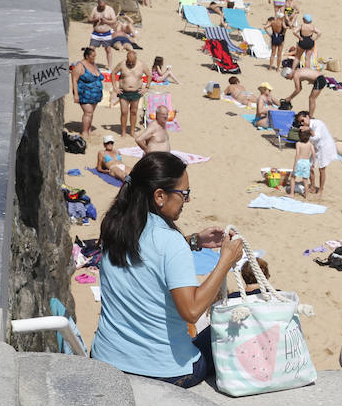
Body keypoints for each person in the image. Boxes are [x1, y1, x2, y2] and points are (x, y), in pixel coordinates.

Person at [91, 152, 244, 388]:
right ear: (160, 196)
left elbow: (149, 256)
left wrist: (194, 241)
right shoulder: (169, 241)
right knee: (235, 328)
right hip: (164, 371)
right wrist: (225, 261)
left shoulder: (114, 224)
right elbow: (191, 311)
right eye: (184, 194)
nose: (187, 200)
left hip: (106, 358)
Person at [295, 111, 337, 196]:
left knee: (322, 169)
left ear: (307, 117)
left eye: (303, 120)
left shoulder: (317, 123)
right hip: (317, 148)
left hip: (325, 147)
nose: (302, 123)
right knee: (310, 167)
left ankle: (321, 190)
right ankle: (313, 187)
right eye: (300, 122)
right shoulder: (307, 126)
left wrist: (309, 130)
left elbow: (317, 137)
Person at [111, 51, 149, 139]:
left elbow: (149, 75)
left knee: (134, 112)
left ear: (136, 59)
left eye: (133, 62)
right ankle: (123, 131)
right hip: (123, 92)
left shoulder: (141, 64)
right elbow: (113, 73)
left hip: (136, 92)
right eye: (129, 61)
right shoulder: (122, 64)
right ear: (127, 58)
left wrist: (146, 87)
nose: (131, 64)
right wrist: (115, 87)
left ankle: (132, 131)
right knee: (124, 112)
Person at [71, 47, 103, 138]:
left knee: (91, 112)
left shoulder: (94, 64)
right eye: (93, 56)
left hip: (95, 94)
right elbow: (74, 80)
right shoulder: (79, 66)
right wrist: (76, 94)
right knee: (88, 112)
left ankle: (88, 129)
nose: (94, 58)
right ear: (87, 56)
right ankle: (84, 132)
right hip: (84, 93)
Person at [88, 0, 117, 67]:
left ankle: (109, 66)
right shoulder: (95, 9)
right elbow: (89, 19)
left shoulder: (110, 9)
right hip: (96, 33)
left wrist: (106, 21)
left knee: (108, 50)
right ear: (98, 4)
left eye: (102, 6)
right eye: (100, 6)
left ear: (105, 4)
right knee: (91, 49)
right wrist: (95, 19)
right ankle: (89, 64)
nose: (101, 7)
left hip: (106, 33)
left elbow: (114, 21)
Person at [289, 129, 315, 197]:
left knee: (292, 177)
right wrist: (313, 163)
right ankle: (306, 195)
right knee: (305, 180)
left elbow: (297, 154)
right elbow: (314, 153)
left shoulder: (298, 144)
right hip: (307, 162)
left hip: (300, 161)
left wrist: (294, 165)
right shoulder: (310, 144)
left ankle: (292, 194)